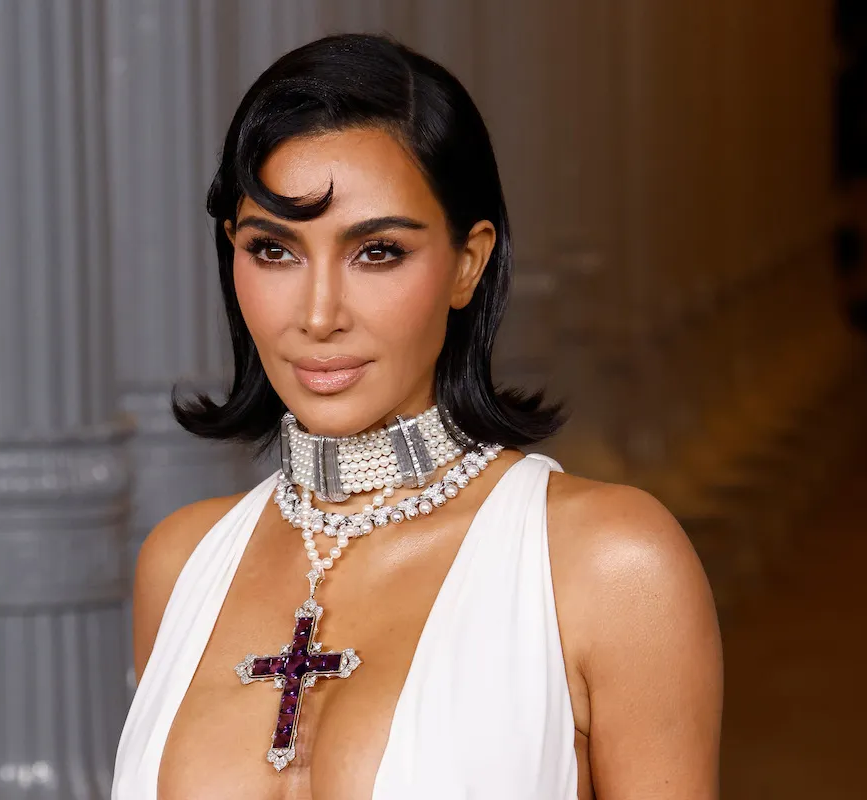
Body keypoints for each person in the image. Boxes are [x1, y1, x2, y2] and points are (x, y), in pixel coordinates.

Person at [112, 33, 722, 800]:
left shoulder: (609, 565)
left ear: (469, 262)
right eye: (274, 250)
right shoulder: (181, 564)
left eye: (378, 253)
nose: (319, 313)